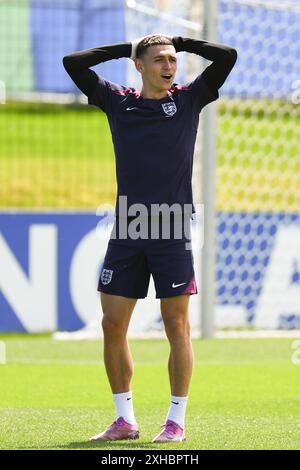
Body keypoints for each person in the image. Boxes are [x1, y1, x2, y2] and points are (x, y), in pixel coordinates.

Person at [63, 34, 237, 443]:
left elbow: (227, 57)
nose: (169, 65)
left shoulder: (190, 99)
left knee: (176, 325)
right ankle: (124, 420)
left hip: (172, 227)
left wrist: (180, 41)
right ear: (139, 66)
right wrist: (126, 48)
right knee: (112, 325)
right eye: (159, 59)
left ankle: (175, 421)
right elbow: (73, 63)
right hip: (129, 228)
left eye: (172, 60)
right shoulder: (119, 101)